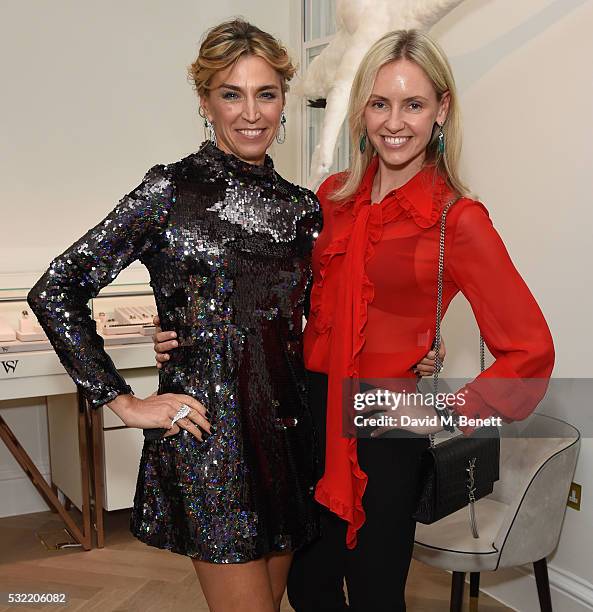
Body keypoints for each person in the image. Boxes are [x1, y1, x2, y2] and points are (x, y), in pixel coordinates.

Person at [27, 19, 324, 612]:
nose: (251, 112)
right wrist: (124, 400)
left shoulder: (304, 209)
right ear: (205, 102)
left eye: (266, 93)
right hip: (212, 444)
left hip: (290, 441)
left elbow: (313, 322)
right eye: (231, 93)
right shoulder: (169, 191)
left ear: (284, 99)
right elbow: (56, 289)